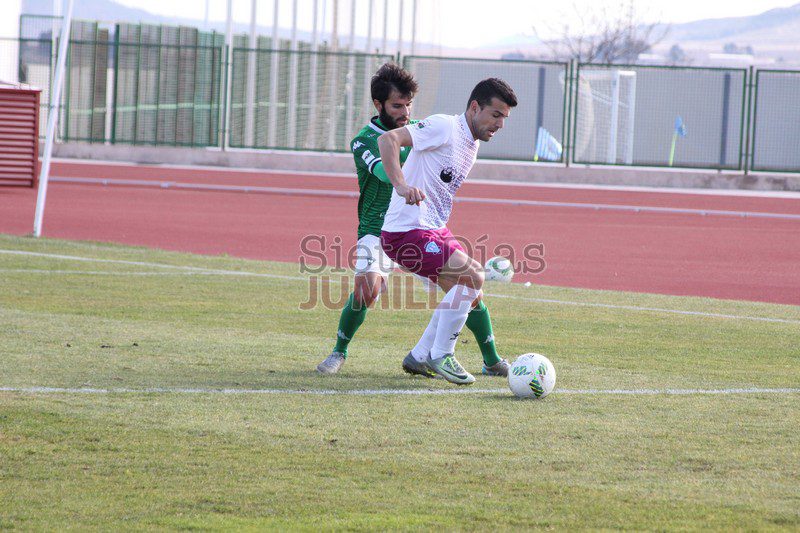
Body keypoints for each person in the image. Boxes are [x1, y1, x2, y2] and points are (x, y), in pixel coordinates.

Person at [317, 66, 510, 378]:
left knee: (467, 290)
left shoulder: (440, 133)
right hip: (379, 228)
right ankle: (339, 351)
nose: (405, 112)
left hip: (424, 228)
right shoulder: (364, 140)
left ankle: (485, 359)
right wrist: (403, 184)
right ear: (379, 105)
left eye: (408, 105)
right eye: (397, 105)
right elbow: (382, 169)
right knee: (368, 288)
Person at [378, 78, 518, 385]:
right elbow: (388, 140)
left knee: (471, 293)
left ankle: (419, 356)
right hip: (405, 232)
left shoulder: (472, 145)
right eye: (495, 115)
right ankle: (442, 354)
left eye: (504, 118)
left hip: (433, 230)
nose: (500, 124)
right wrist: (401, 185)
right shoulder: (445, 127)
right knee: (474, 275)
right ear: (474, 107)